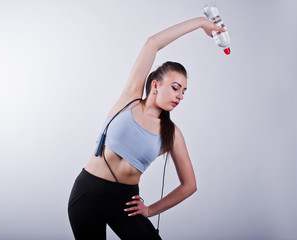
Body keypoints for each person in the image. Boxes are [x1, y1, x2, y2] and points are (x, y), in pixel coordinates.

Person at [68, 16, 224, 240]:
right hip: (86, 193)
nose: (180, 95)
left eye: (184, 92)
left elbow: (189, 185)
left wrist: (150, 210)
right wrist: (200, 23)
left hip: (125, 202)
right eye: (175, 87)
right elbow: (152, 43)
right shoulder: (129, 99)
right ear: (155, 85)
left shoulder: (172, 134)